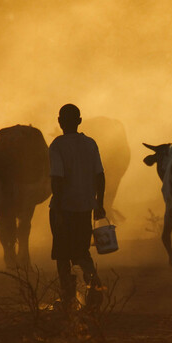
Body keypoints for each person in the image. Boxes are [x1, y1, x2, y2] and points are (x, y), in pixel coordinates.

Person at [49, 104, 106, 310]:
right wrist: (99, 204)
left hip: (64, 207)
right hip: (85, 208)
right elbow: (100, 175)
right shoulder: (90, 144)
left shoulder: (57, 145)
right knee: (82, 251)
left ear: (59, 122)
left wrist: (58, 210)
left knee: (63, 255)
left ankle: (68, 298)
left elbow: (57, 179)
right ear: (80, 121)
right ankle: (95, 290)